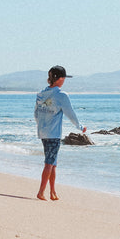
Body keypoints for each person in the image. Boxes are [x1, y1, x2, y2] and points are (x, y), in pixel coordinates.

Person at [34, 65, 86, 201]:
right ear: (59, 79)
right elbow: (70, 113)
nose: (64, 80)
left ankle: (52, 192)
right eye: (63, 78)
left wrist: (40, 126)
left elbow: (36, 113)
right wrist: (80, 127)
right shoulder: (61, 95)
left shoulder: (41, 94)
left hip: (43, 132)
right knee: (49, 163)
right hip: (53, 134)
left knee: (53, 163)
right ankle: (41, 192)